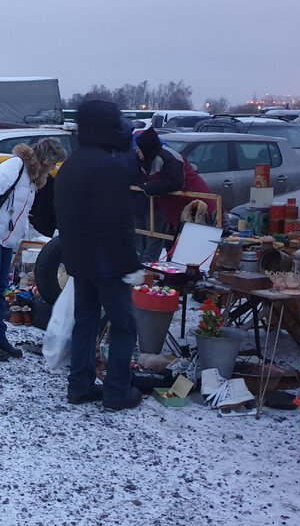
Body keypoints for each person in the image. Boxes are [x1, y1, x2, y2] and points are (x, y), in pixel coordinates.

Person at [54, 100, 143, 411]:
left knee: (85, 322)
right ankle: (117, 391)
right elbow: (117, 223)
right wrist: (131, 265)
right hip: (108, 262)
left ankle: (79, 386)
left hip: (79, 260)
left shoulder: (71, 165)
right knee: (123, 326)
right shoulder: (110, 168)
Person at [0, 139, 67, 361]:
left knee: (0, 288)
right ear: (45, 159)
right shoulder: (14, 166)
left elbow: (20, 209)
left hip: (5, 238)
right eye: (53, 164)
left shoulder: (32, 177)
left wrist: (19, 233)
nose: (53, 169)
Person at [133, 127, 212, 262]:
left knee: (189, 237)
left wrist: (147, 186)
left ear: (146, 148)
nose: (136, 151)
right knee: (164, 236)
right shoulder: (143, 157)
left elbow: (174, 183)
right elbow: (138, 178)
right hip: (168, 203)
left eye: (139, 148)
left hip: (192, 201)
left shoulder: (168, 158)